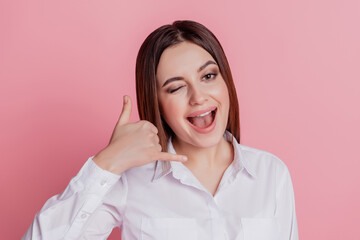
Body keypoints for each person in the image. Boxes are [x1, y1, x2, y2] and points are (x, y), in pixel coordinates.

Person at [22, 20, 298, 240]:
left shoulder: (271, 174)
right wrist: (107, 162)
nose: (198, 97)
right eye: (176, 87)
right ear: (158, 105)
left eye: (208, 76)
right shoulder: (131, 180)